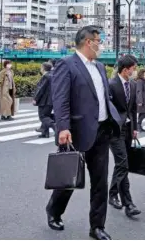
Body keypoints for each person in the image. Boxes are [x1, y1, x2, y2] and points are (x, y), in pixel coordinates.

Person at [47, 26, 122, 240]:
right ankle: (54, 210)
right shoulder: (67, 65)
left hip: (101, 132)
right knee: (69, 179)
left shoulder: (99, 66)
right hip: (76, 132)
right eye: (99, 40)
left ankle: (97, 227)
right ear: (88, 42)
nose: (101, 44)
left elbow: (103, 97)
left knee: (100, 182)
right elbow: (60, 99)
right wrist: (63, 127)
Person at [108, 55, 140, 218]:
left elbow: (133, 109)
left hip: (128, 128)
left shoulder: (133, 85)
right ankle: (126, 202)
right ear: (125, 70)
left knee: (122, 164)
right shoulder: (111, 85)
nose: (135, 71)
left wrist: (134, 128)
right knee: (123, 163)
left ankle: (117, 195)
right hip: (114, 130)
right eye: (133, 68)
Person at [34, 62, 55, 139]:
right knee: (47, 115)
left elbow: (41, 89)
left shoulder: (46, 76)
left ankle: (54, 126)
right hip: (51, 100)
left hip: (45, 100)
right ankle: (45, 133)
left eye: (41, 67)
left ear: (43, 68)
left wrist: (35, 98)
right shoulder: (53, 75)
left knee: (43, 117)